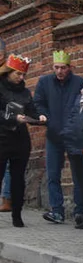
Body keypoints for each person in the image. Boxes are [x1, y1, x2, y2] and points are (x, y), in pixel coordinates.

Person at [34, 50, 83, 225]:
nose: (59, 71)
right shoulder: (44, 82)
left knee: (78, 175)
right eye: (56, 68)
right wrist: (43, 115)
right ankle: (57, 210)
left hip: (74, 136)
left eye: (63, 68)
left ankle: (80, 211)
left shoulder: (79, 83)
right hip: (54, 134)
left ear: (69, 67)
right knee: (53, 174)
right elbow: (38, 102)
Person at [0, 54, 47, 228]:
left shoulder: (25, 91)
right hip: (2, 137)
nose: (21, 78)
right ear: (9, 72)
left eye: (23, 75)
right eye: (18, 74)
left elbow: (31, 109)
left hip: (20, 139)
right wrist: (13, 118)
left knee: (18, 178)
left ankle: (17, 214)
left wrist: (39, 116)